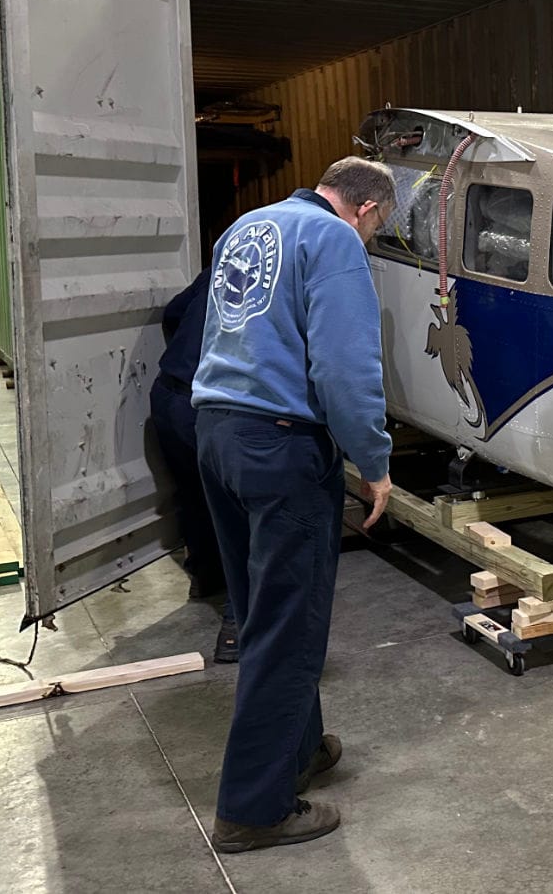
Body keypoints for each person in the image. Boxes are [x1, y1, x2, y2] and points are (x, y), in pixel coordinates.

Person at [192, 156, 396, 853]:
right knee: (292, 622)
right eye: (376, 233)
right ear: (366, 210)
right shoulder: (334, 240)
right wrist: (374, 462)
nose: (366, 243)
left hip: (218, 432)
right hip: (281, 447)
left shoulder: (245, 227)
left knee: (261, 611)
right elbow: (344, 366)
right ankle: (255, 807)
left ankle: (297, 748)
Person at [149, 264, 239, 664]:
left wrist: (185, 355)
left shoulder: (225, 266)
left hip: (168, 393)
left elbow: (173, 311)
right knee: (242, 514)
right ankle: (237, 627)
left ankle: (205, 576)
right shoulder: (285, 279)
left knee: (196, 491)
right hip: (206, 404)